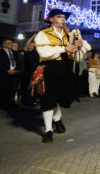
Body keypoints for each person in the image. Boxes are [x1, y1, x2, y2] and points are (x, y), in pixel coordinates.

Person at [34, 8, 91, 143]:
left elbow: (87, 48)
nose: (63, 19)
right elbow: (43, 51)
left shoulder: (69, 34)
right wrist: (63, 49)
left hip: (66, 68)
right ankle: (48, 130)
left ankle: (57, 118)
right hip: (50, 68)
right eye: (59, 17)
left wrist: (81, 43)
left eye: (64, 17)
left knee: (65, 97)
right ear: (51, 19)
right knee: (48, 99)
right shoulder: (43, 34)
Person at [0, 39, 21, 111]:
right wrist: (6, 70)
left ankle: (5, 105)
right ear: (4, 45)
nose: (11, 44)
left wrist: (16, 70)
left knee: (8, 91)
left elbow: (18, 63)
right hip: (1, 75)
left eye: (11, 43)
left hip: (12, 75)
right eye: (9, 43)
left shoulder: (14, 53)